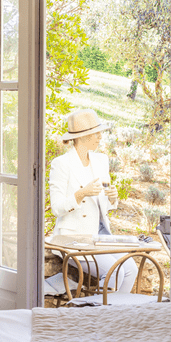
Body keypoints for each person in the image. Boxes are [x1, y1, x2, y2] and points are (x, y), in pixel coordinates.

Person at [45, 109, 138, 296]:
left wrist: (112, 197)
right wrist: (81, 194)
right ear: (82, 136)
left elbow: (102, 203)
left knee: (131, 269)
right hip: (74, 238)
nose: (100, 137)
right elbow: (56, 208)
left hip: (100, 235)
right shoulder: (61, 164)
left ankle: (114, 310)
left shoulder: (101, 160)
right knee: (115, 272)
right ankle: (98, 310)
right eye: (96, 133)